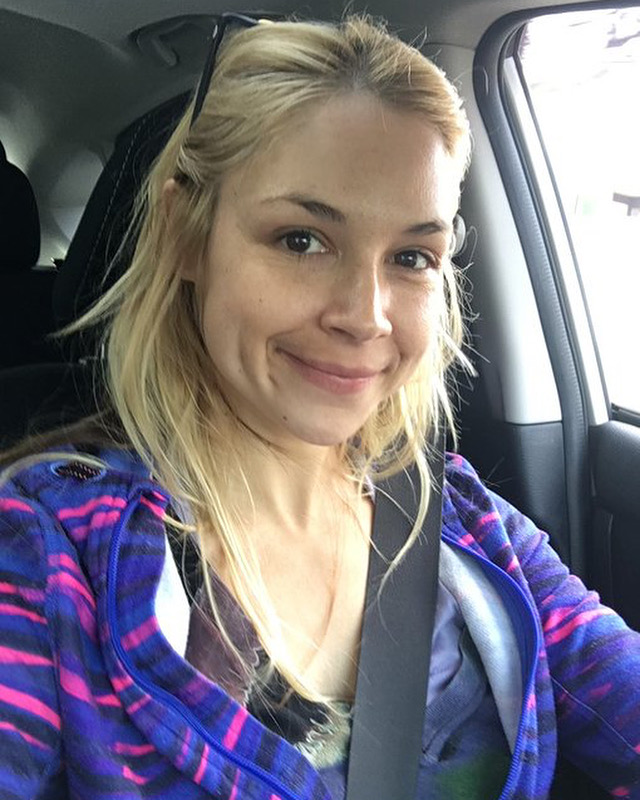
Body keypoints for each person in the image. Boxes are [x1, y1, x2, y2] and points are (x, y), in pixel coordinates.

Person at [0, 13, 639, 800]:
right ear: (185, 235)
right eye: (301, 239)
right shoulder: (45, 555)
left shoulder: (470, 527)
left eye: (412, 257)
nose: (365, 316)